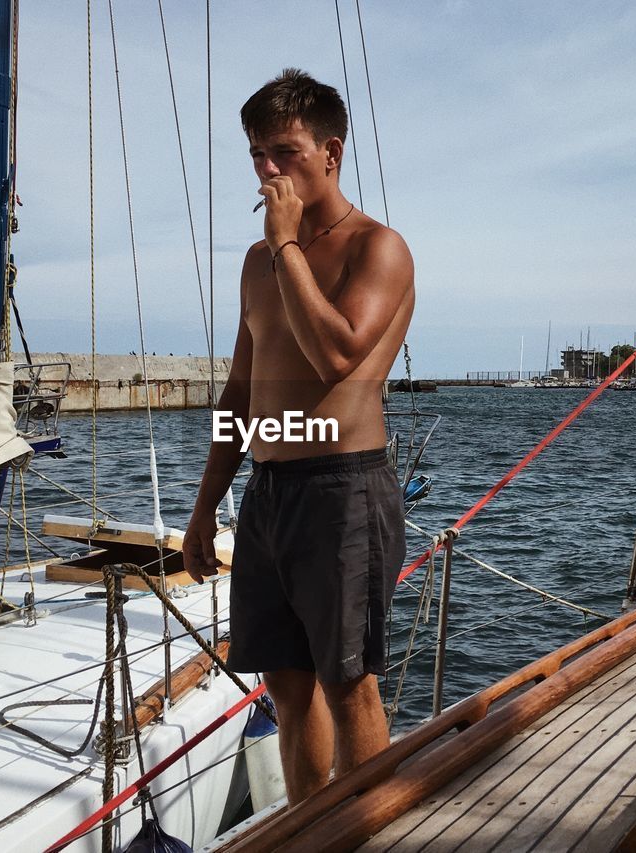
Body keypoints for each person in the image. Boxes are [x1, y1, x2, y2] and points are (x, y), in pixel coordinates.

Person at [182, 68, 414, 806]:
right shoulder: (257, 264)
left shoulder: (377, 248)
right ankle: (309, 827)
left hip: (344, 487)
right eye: (257, 155)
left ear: (330, 151)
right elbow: (241, 393)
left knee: (349, 684)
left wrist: (285, 246)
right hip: (269, 491)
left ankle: (367, 828)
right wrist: (203, 506)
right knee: (285, 682)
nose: (267, 171)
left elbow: (337, 355)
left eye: (283, 151)